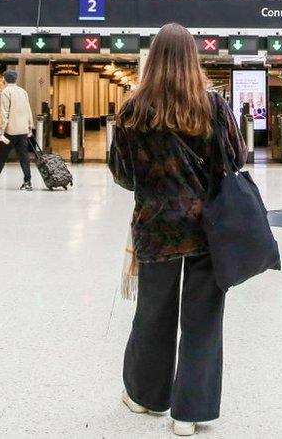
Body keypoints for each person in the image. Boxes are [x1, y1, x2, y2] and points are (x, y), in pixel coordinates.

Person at [109, 23, 247, 437]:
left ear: (152, 58)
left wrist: (156, 185)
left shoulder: (133, 108)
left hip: (155, 227)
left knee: (153, 311)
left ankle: (145, 397)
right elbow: (236, 158)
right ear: (193, 58)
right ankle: (190, 413)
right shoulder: (213, 104)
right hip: (208, 227)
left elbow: (122, 174)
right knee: (203, 317)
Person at [0, 70, 34, 191]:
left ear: (4, 79)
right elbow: (28, 109)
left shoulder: (6, 92)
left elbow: (4, 113)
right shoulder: (23, 91)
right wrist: (30, 125)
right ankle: (27, 182)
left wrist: (1, 131)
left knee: (2, 156)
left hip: (10, 132)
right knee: (24, 156)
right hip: (23, 130)